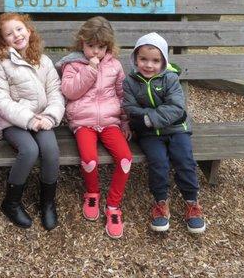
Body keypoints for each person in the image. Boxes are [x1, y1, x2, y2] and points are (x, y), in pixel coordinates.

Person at [56, 16, 132, 239]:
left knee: (125, 159)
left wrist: (125, 121)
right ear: (82, 43)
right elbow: (70, 91)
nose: (96, 52)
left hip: (110, 121)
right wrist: (89, 70)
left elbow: (122, 94)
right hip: (83, 122)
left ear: (108, 46)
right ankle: (92, 194)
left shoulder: (115, 65)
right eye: (91, 46)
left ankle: (114, 206)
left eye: (101, 47)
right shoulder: (72, 64)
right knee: (89, 159)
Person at [122, 32, 206, 234]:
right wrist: (147, 119)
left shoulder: (170, 78)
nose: (149, 65)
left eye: (155, 60)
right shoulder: (130, 82)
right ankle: (161, 202)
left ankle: (191, 202)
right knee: (158, 161)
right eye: (143, 59)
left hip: (177, 129)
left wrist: (149, 117)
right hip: (149, 134)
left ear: (163, 61)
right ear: (135, 59)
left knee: (184, 159)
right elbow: (129, 108)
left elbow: (177, 107)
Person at [0, 13, 65, 231]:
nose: (16, 35)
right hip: (13, 122)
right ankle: (11, 202)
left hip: (43, 118)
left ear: (29, 31)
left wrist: (50, 117)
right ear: (4, 41)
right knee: (30, 150)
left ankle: (47, 202)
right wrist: (29, 120)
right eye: (9, 34)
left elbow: (55, 92)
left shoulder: (44, 61)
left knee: (50, 149)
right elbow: (0, 101)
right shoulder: (0, 66)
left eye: (19, 29)